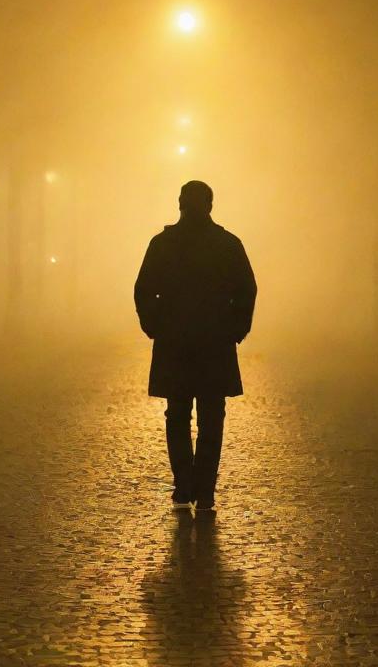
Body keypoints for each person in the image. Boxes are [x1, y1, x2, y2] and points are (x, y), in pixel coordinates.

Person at [134, 180, 257, 512]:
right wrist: (234, 329)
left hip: (174, 342)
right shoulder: (228, 244)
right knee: (212, 417)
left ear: (179, 204)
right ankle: (205, 491)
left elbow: (144, 289)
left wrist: (155, 326)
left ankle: (184, 486)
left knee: (177, 415)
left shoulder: (162, 244)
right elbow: (247, 290)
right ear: (211, 205)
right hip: (215, 342)